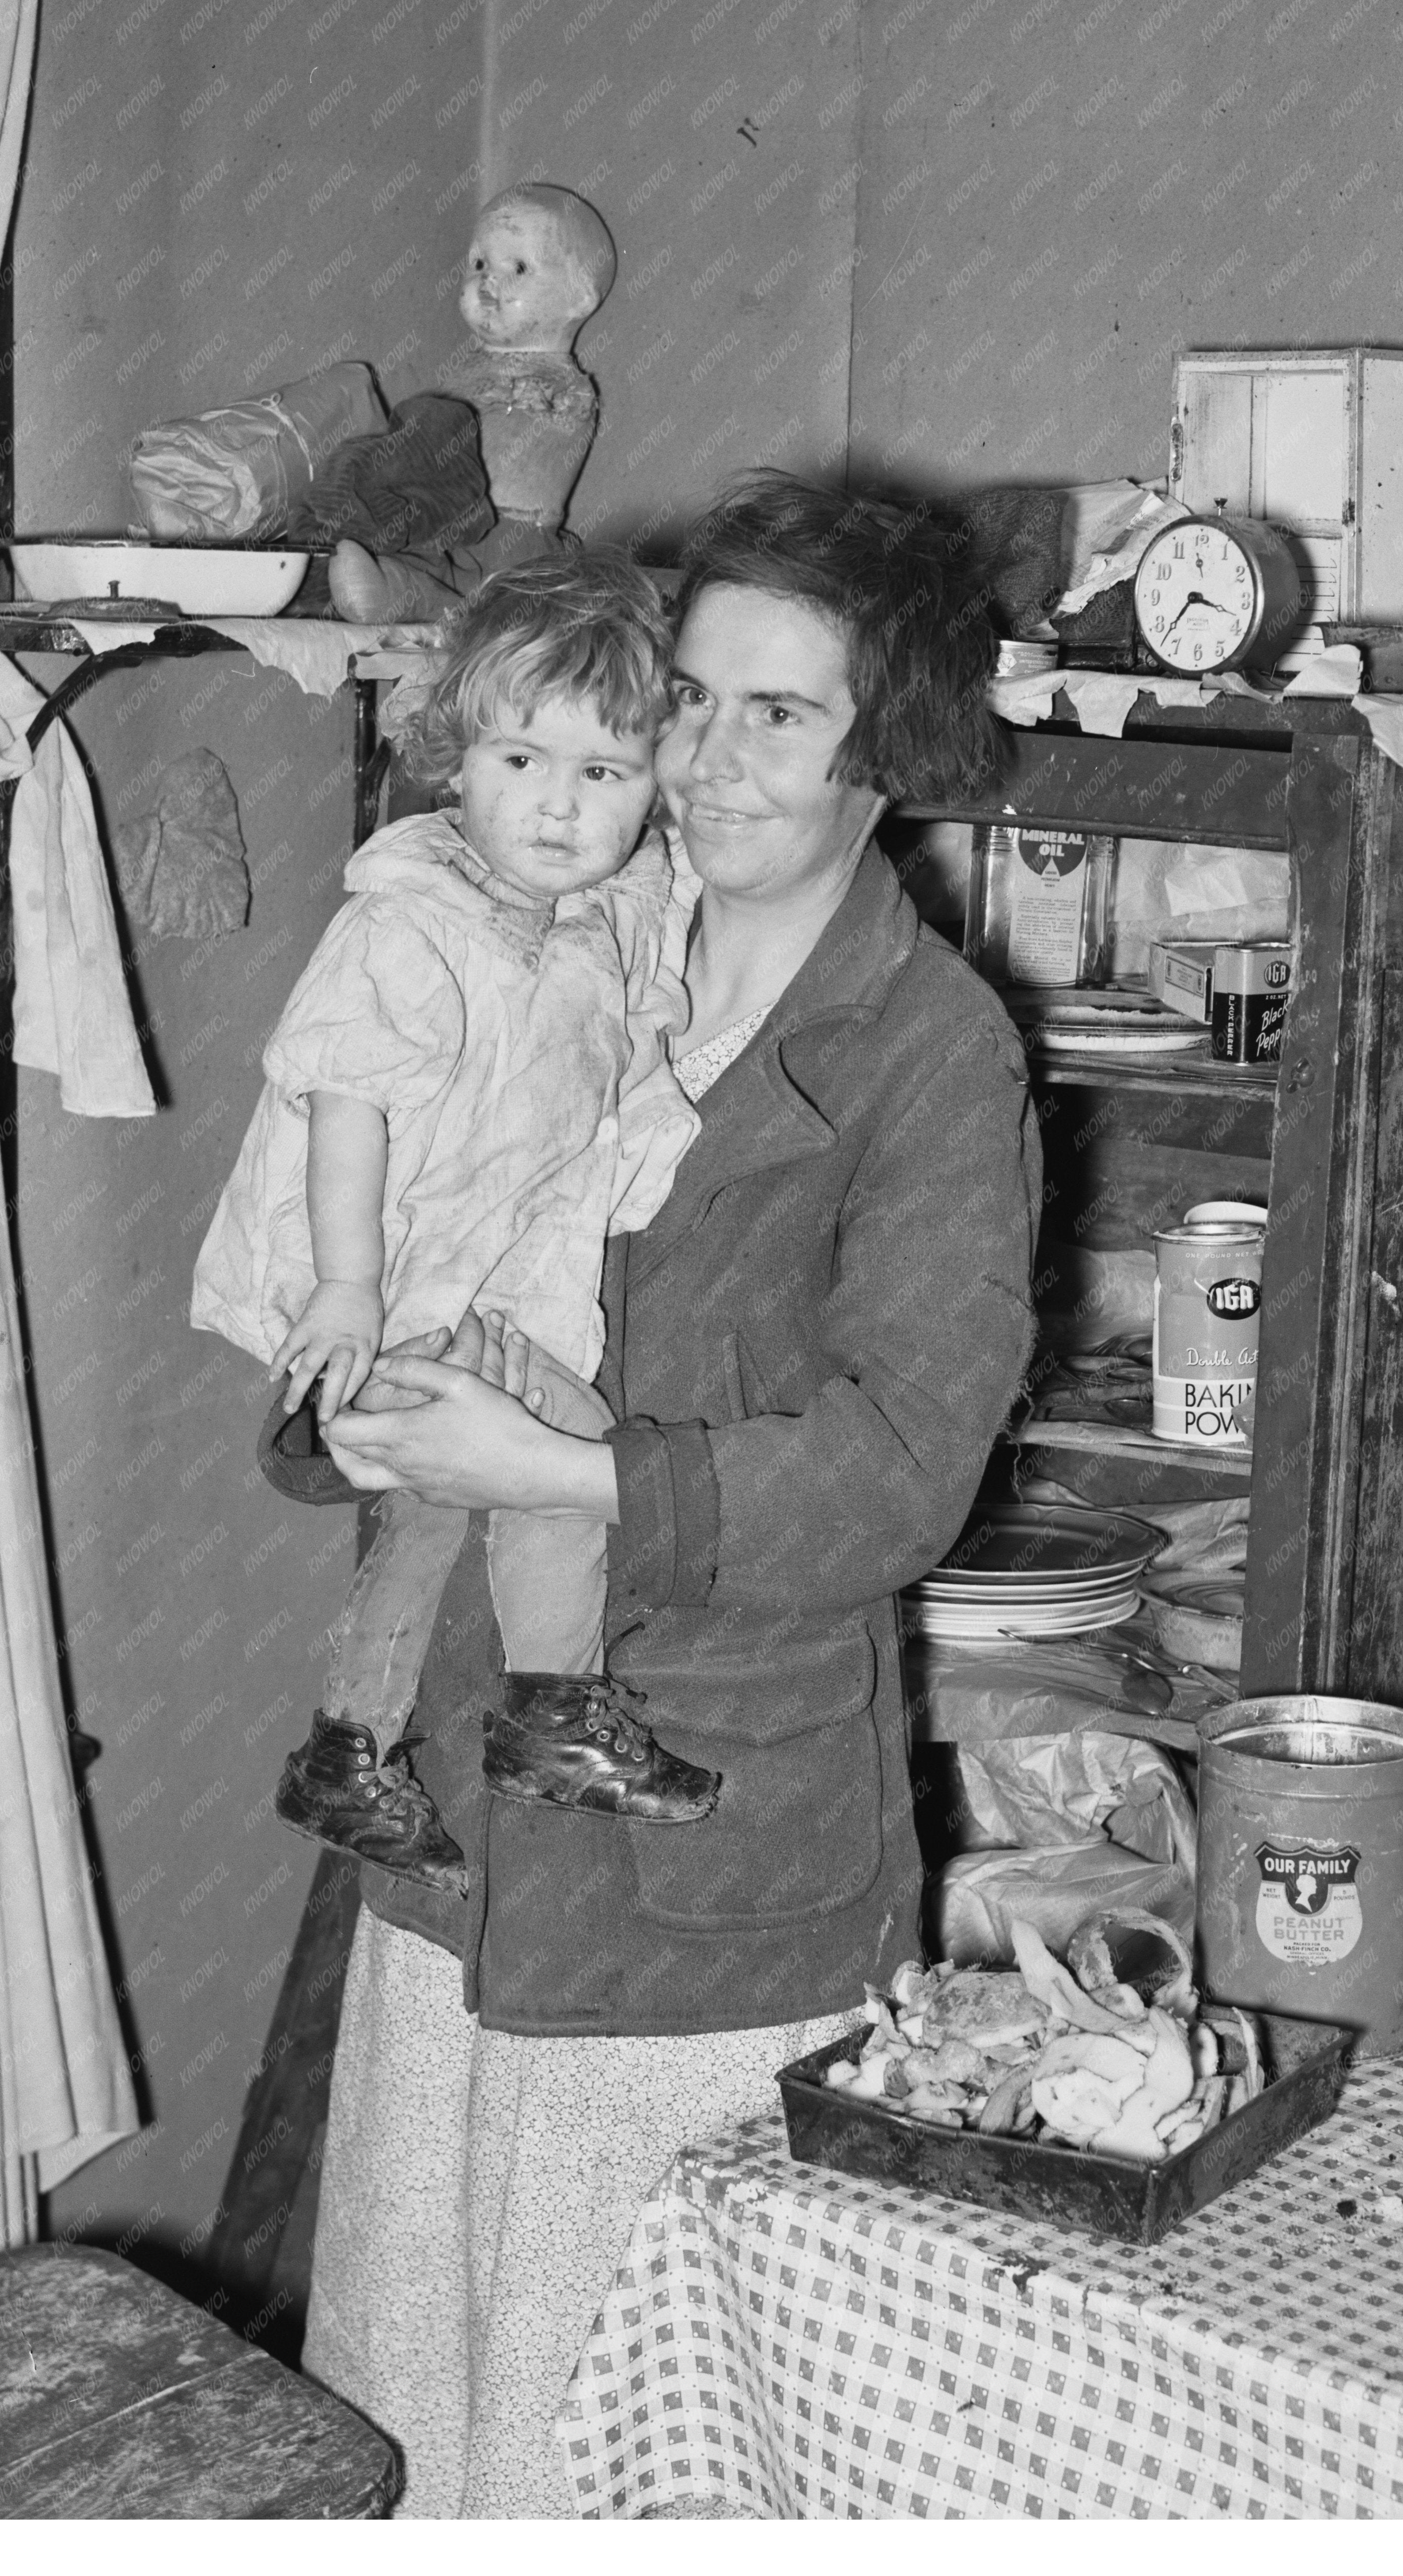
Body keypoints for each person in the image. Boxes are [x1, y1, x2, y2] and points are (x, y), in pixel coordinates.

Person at [300, 473, 1043, 2516]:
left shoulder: (926, 1056)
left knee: (624, 2455)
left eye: (776, 716)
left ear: (888, 750)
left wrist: (554, 1469)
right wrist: (341, 1406)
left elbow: (898, 1478)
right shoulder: (549, 941)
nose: (704, 762)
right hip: (456, 1820)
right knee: (410, 2401)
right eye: (686, 702)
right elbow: (348, 1234)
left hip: (699, 1871)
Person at [189, 552, 720, 1899]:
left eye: (602, 773)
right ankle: (551, 1710)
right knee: (563, 1459)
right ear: (456, 756)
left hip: (465, 1281)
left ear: (650, 783)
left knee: (431, 1511)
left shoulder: (588, 912)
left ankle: (345, 1745)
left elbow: (666, 893)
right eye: (520, 761)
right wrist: (350, 1291)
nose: (556, 803)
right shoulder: (412, 924)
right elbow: (344, 1105)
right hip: (382, 1283)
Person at [328, 183, 616, 625]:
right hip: (443, 518)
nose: (488, 280)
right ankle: (392, 587)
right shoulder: (465, 371)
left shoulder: (564, 386)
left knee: (500, 600)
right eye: (479, 263)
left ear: (579, 299)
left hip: (512, 528)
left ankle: (431, 604)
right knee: (424, 560)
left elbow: (548, 435)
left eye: (519, 267)